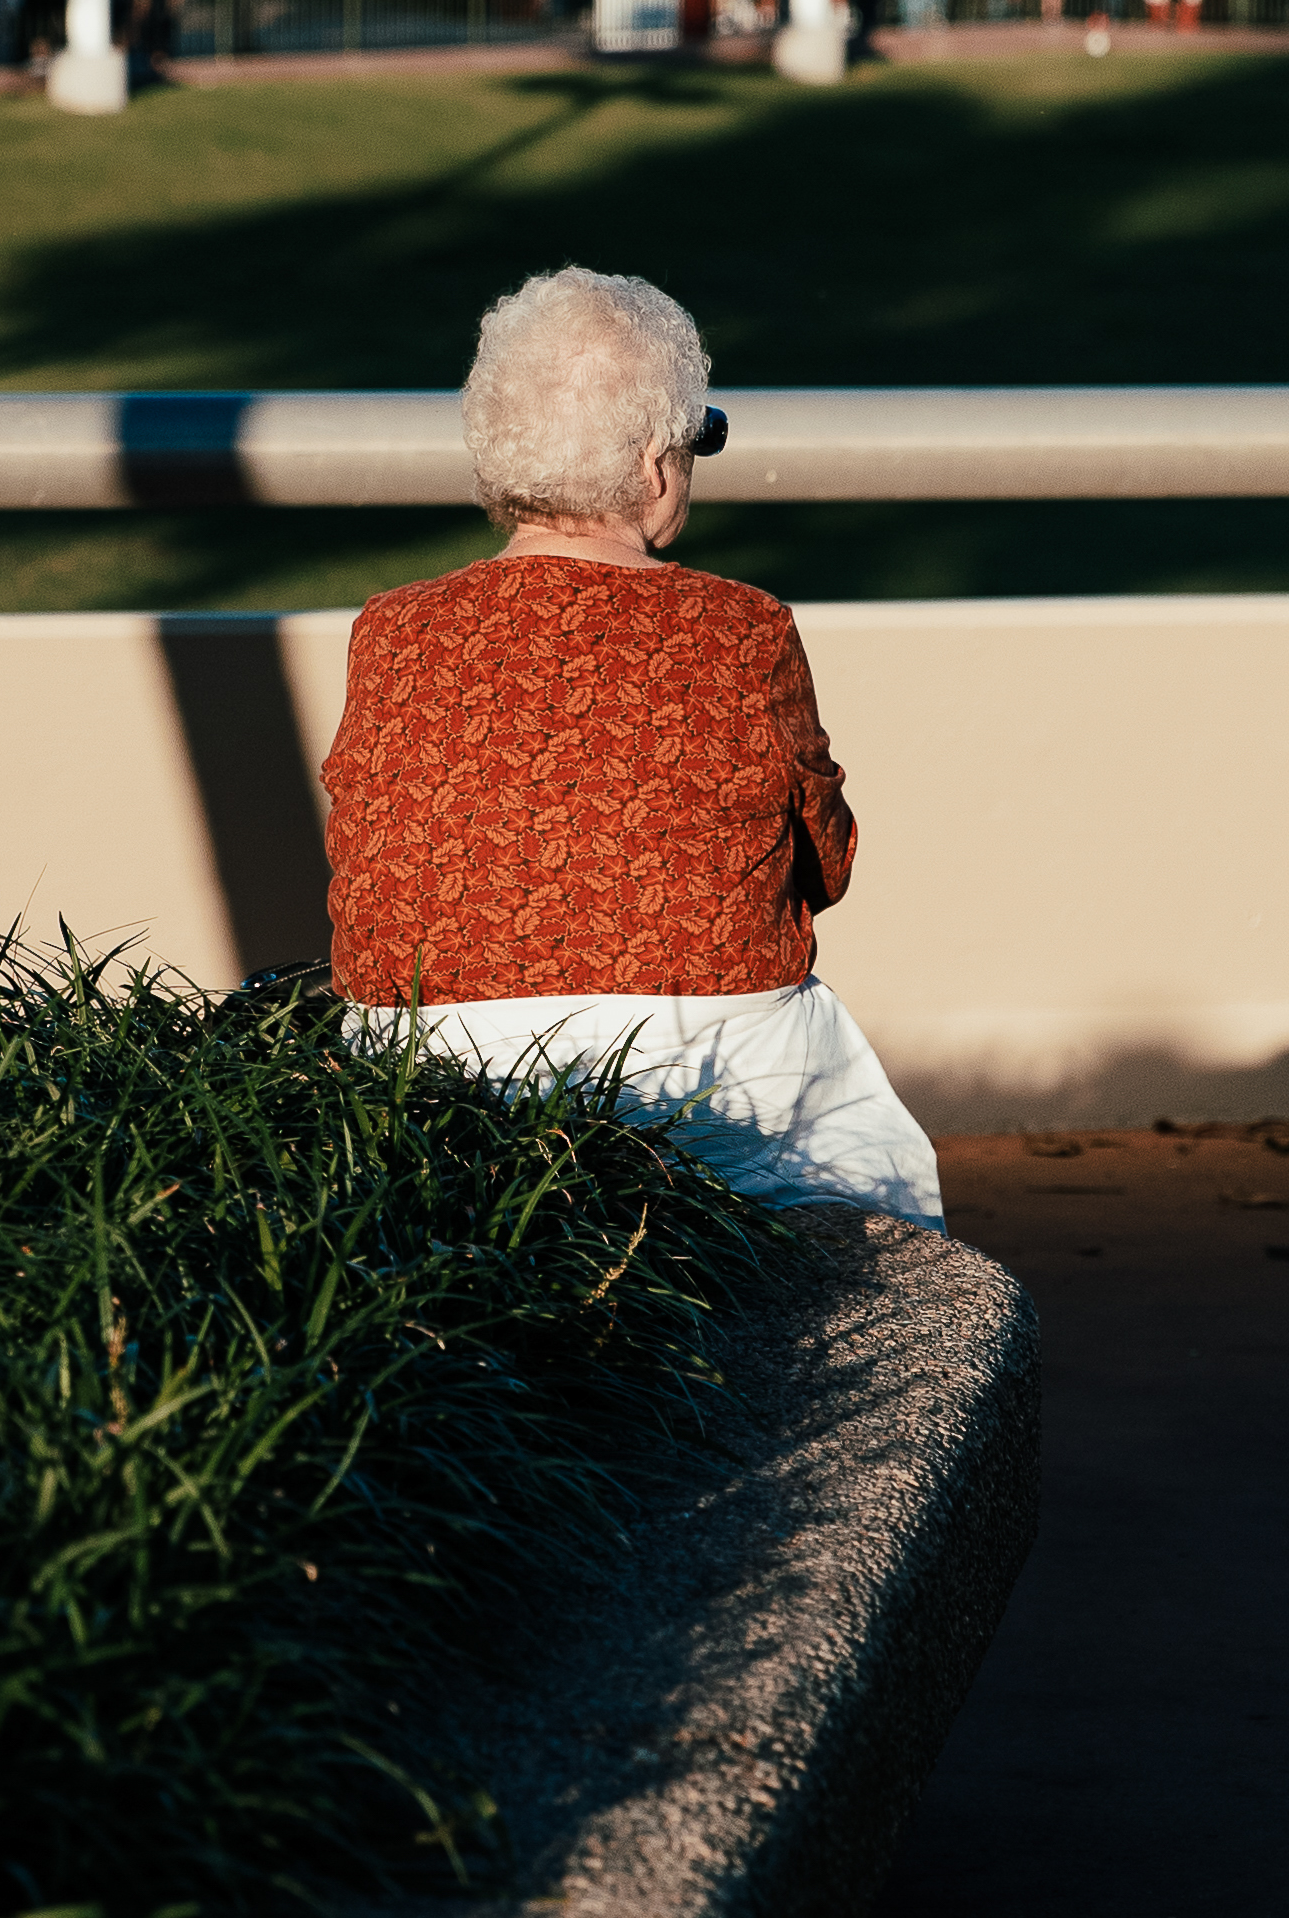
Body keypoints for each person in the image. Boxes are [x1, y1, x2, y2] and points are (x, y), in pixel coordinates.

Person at [316, 267, 940, 1222]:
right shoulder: (739, 629)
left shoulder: (393, 631)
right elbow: (828, 860)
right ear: (655, 461)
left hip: (427, 1078)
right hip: (708, 1076)